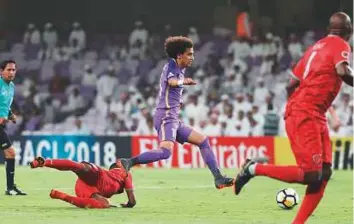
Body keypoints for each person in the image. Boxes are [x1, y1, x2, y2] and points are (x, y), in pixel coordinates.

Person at [234, 12, 353, 224]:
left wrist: (296, 104)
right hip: (306, 113)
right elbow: (343, 71)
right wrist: (301, 107)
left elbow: (292, 83)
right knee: (310, 175)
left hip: (312, 113)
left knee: (323, 173)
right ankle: (253, 168)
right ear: (349, 32)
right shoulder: (341, 45)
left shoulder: (314, 49)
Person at [120, 36, 234, 189]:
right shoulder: (172, 66)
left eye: (192, 54)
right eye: (189, 54)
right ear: (179, 55)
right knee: (166, 152)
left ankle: (218, 177)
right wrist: (183, 82)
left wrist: (178, 100)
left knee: (203, 141)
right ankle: (128, 162)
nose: (192, 57)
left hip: (172, 117)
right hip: (166, 116)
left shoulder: (181, 68)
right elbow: (172, 82)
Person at [30, 157, 136, 208]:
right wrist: (126, 205)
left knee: (79, 167)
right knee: (104, 204)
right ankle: (64, 197)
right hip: (98, 177)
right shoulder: (126, 174)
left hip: (87, 185)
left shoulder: (113, 173)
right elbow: (132, 201)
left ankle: (46, 162)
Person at [0, 60, 26, 195]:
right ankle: (10, 188)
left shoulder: (11, 86)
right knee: (11, 152)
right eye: (8, 70)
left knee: (10, 153)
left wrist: (10, 115)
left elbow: (5, 104)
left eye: (13, 70)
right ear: (1, 71)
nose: (11, 72)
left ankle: (10, 188)